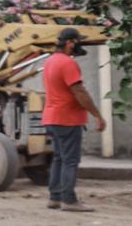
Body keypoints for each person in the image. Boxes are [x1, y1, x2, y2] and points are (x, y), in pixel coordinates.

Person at [42, 28, 107, 212]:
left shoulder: (50, 61)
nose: (79, 45)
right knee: (70, 160)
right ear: (70, 42)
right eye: (78, 41)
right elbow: (80, 92)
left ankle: (55, 198)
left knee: (59, 158)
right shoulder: (67, 63)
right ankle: (69, 200)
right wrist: (97, 115)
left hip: (52, 117)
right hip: (67, 118)